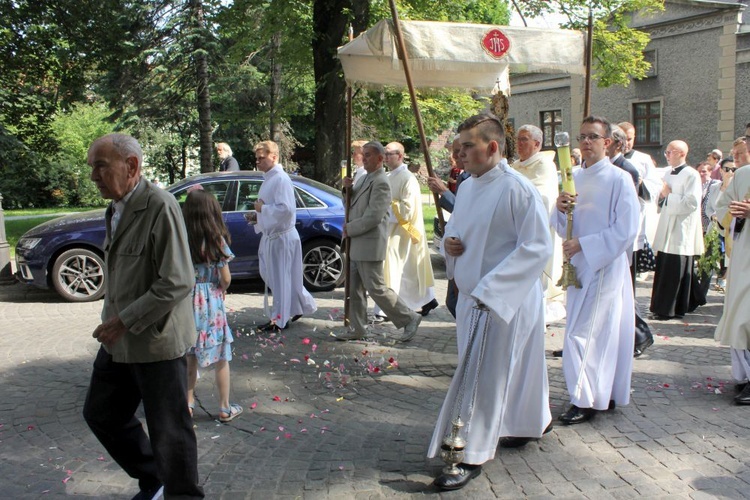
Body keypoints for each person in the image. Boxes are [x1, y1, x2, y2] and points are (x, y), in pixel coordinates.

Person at [427, 114, 553, 491]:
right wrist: (449, 243)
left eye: (467, 146)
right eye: (459, 145)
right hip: (472, 297)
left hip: (501, 300)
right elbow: (459, 231)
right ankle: (526, 423)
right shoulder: (467, 186)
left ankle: (468, 451)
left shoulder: (518, 188)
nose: (459, 153)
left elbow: (537, 247)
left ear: (493, 147)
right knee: (496, 371)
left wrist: (492, 290)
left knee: (481, 377)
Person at [82, 133, 204, 499]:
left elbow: (178, 280)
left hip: (156, 342)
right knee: (101, 413)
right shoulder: (115, 208)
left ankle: (182, 494)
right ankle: (155, 477)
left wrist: (123, 320)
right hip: (120, 341)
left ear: (131, 166)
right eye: (92, 168)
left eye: (100, 166)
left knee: (171, 431)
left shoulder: (159, 206)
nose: (94, 177)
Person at [553, 116, 639, 426]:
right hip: (577, 264)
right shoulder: (571, 176)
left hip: (603, 263)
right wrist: (560, 208)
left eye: (593, 137)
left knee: (583, 333)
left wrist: (586, 245)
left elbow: (627, 229)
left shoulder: (619, 179)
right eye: (582, 137)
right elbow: (562, 224)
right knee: (587, 331)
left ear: (607, 142)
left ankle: (584, 398)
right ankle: (597, 391)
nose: (586, 142)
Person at [336, 141, 422, 342]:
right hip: (356, 242)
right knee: (354, 289)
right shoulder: (365, 178)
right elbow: (351, 205)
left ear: (380, 159)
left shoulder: (381, 182)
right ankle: (358, 327)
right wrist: (346, 190)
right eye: (363, 154)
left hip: (369, 243)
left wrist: (351, 228)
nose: (363, 158)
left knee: (376, 288)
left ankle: (409, 317)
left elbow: (374, 216)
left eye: (368, 155)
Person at [183, 188, 243, 423]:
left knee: (189, 356)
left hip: (188, 300)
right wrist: (221, 288)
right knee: (221, 356)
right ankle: (224, 407)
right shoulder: (216, 240)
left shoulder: (182, 239)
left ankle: (187, 405)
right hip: (211, 300)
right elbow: (226, 278)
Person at [251, 140, 317, 332]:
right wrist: (257, 216)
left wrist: (262, 208)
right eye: (256, 159)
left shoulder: (280, 179)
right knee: (275, 276)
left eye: (261, 158)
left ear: (274, 156)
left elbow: (286, 209)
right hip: (273, 235)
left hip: (281, 237)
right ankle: (299, 306)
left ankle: (279, 319)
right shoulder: (269, 178)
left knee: (280, 279)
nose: (258, 162)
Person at [373, 141, 437, 321]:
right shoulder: (389, 175)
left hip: (403, 230)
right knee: (407, 272)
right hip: (391, 229)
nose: (385, 157)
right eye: (384, 154)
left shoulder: (408, 178)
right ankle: (427, 299)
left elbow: (407, 209)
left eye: (389, 154)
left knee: (393, 269)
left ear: (400, 156)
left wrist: (385, 205)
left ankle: (387, 309)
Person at [510, 124, 565, 323]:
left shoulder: (544, 166)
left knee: (534, 279)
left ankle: (533, 317)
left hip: (535, 228)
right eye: (518, 139)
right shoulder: (515, 165)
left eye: (524, 139)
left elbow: (543, 197)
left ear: (537, 143)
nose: (519, 143)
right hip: (514, 227)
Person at [608, 125, 654, 358]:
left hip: (624, 242)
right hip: (609, 241)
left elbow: (630, 209)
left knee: (625, 293)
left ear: (617, 144)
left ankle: (639, 334)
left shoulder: (626, 169)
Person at [649, 140, 705, 320]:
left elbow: (692, 203)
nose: (666, 155)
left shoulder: (692, 175)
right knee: (665, 267)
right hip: (667, 226)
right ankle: (665, 305)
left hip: (681, 229)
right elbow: (661, 199)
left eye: (669, 152)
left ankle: (670, 309)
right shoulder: (667, 173)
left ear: (681, 153)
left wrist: (668, 195)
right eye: (666, 152)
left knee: (675, 270)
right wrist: (662, 196)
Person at [713, 139, 750, 405]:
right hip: (744, 255)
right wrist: (736, 214)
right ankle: (745, 377)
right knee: (740, 317)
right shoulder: (743, 175)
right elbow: (721, 208)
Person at [427, 137, 471, 318]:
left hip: (469, 248)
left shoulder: (476, 179)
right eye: (454, 151)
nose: (455, 156)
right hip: (456, 245)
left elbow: (465, 211)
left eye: (459, 150)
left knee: (458, 302)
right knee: (453, 302)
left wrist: (444, 193)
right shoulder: (463, 176)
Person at [707, 156, 736, 292]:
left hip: (731, 228)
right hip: (714, 227)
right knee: (711, 255)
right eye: (727, 169)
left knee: (727, 256)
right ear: (721, 171)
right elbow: (707, 207)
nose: (730, 172)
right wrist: (712, 216)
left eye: (733, 169)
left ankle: (724, 279)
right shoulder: (714, 187)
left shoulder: (737, 189)